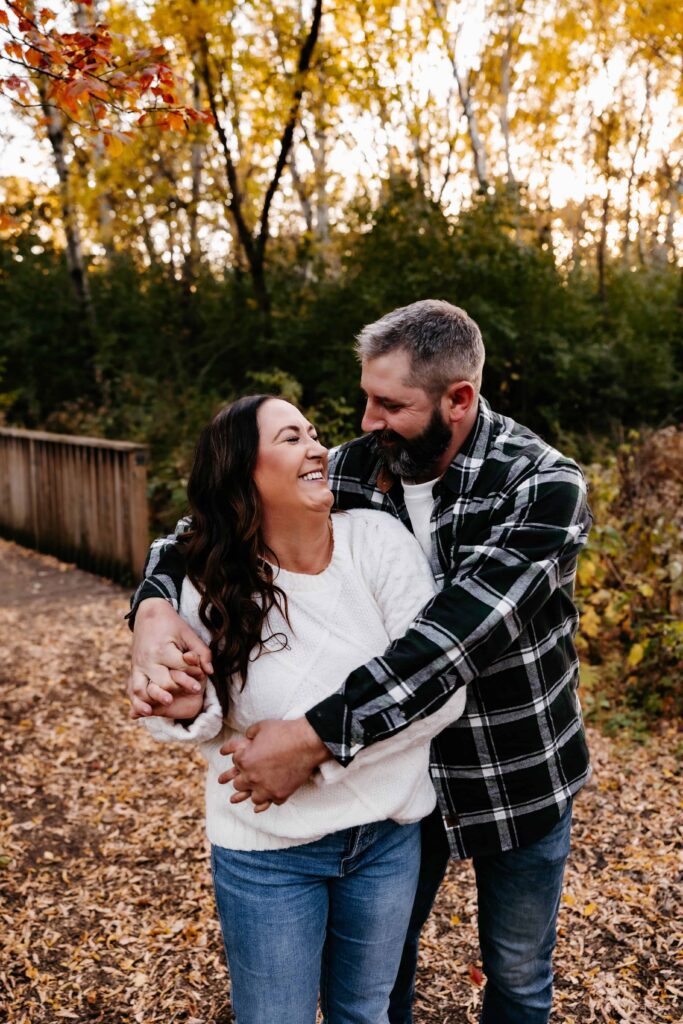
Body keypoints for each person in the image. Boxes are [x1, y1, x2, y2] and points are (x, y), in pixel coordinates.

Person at [128, 300, 592, 1024]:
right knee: (382, 976)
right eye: (365, 399)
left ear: (458, 400)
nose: (367, 421)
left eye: (389, 404)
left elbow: (448, 643)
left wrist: (310, 736)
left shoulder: (541, 487)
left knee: (518, 972)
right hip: (398, 780)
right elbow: (211, 521)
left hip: (514, 767)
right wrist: (154, 607)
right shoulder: (356, 466)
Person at [138, 393, 467, 1024]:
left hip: (386, 838)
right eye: (291, 438)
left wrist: (311, 752)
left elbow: (439, 687)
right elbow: (205, 717)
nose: (318, 447)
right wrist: (185, 706)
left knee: (364, 1013)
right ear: (243, 472)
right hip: (266, 848)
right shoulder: (203, 578)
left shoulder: (377, 541)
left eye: (314, 434)